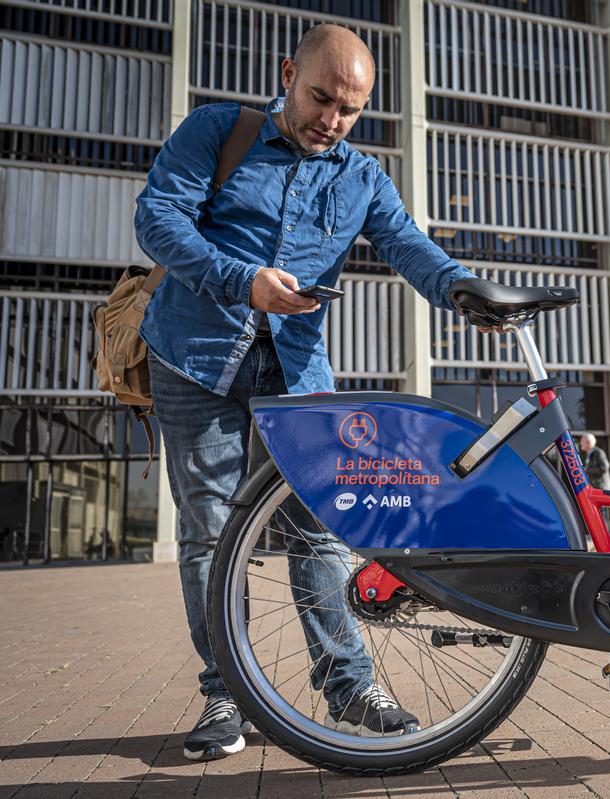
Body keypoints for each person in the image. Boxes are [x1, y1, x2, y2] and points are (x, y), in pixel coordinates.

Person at [134, 24, 474, 761]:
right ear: (289, 72)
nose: (332, 119)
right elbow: (157, 219)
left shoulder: (362, 178)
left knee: (319, 527)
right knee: (208, 534)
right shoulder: (218, 130)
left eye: (350, 110)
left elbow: (409, 245)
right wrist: (241, 279)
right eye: (320, 98)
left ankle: (348, 685)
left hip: (296, 372)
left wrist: (462, 289)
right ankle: (227, 692)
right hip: (194, 358)